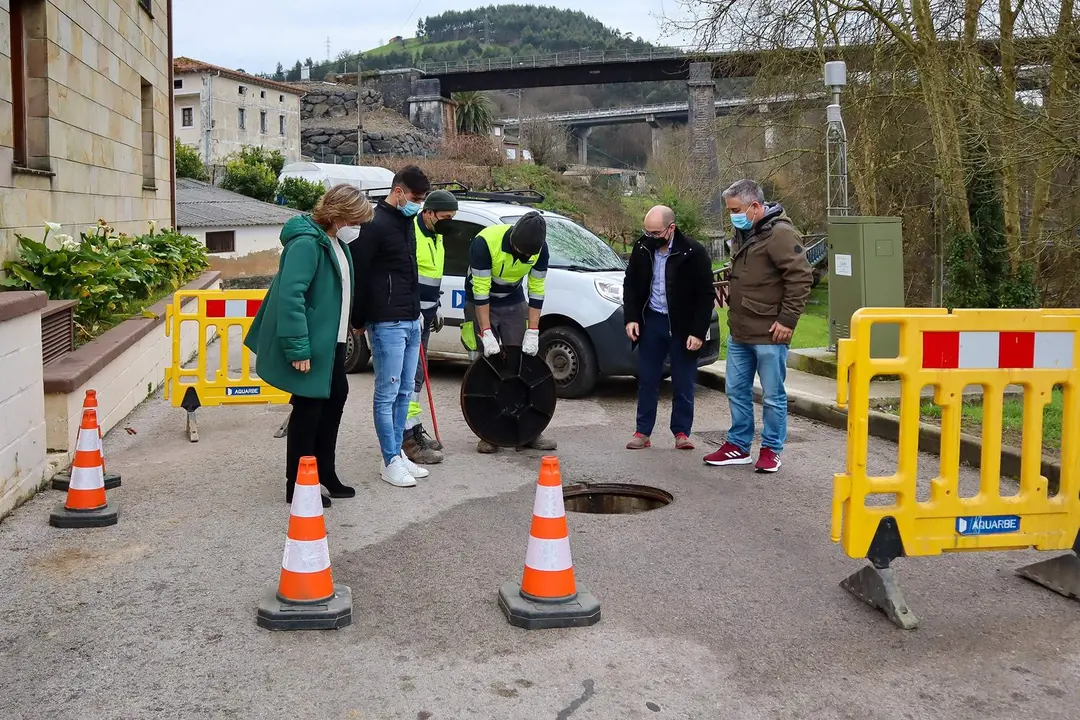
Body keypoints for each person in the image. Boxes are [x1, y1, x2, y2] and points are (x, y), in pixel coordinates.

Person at [245, 184, 373, 507]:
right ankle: (298, 484)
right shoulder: (307, 243)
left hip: (332, 343)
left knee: (333, 400)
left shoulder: (334, 242)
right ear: (338, 214)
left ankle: (324, 473)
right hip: (311, 345)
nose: (358, 228)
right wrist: (298, 347)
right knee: (308, 410)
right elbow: (291, 297)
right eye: (355, 219)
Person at [703, 179, 812, 473]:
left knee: (773, 396)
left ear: (754, 206)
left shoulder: (780, 234)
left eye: (736, 209)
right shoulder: (744, 231)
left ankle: (771, 449)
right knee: (736, 391)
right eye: (729, 210)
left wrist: (787, 320)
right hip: (741, 331)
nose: (732, 216)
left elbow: (801, 278)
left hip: (769, 332)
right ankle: (738, 446)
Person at [351, 165, 432, 489]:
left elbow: (407, 272)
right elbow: (361, 274)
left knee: (403, 392)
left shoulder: (406, 221)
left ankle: (397, 453)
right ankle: (389, 460)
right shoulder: (375, 224)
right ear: (398, 192)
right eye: (416, 198)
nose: (419, 205)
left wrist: (419, 313)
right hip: (387, 323)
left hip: (411, 319)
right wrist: (357, 320)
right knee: (387, 394)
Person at [462, 210, 557, 454]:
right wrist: (486, 332)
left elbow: (536, 290)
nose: (525, 256)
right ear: (513, 239)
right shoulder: (485, 243)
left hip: (513, 300)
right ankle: (489, 433)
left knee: (521, 363)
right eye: (522, 252)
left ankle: (528, 431)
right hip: (481, 301)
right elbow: (481, 290)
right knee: (489, 366)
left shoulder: (539, 250)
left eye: (529, 254)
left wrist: (533, 330)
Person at [622, 205, 715, 451]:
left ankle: (682, 432)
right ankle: (642, 432)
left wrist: (697, 332)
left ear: (671, 228)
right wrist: (631, 317)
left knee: (683, 382)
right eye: (647, 231)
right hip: (652, 321)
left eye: (656, 232)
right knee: (648, 379)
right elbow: (630, 283)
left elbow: (706, 296)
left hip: (683, 326)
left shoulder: (694, 252)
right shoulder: (642, 248)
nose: (651, 237)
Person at [402, 189, 459, 466]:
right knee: (409, 378)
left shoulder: (437, 236)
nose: (448, 222)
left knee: (417, 378)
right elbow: (407, 276)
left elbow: (432, 277)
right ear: (428, 212)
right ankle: (408, 439)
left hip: (425, 316)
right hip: (409, 317)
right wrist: (416, 309)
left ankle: (413, 429)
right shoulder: (410, 233)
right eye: (445, 217)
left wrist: (434, 308)